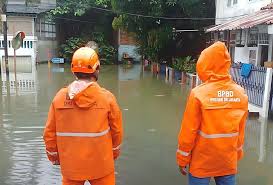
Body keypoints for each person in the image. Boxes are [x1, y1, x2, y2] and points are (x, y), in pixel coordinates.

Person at [43, 47, 123, 185]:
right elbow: (117, 132)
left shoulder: (59, 98)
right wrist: (113, 154)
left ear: (73, 70)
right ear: (96, 68)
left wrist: (54, 157)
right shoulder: (107, 99)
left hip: (71, 168)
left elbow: (49, 134)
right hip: (101, 166)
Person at [176, 42, 248, 185]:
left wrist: (182, 158)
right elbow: (240, 131)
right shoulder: (240, 93)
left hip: (202, 162)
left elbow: (188, 132)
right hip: (227, 162)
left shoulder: (198, 94)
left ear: (205, 64)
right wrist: (237, 154)